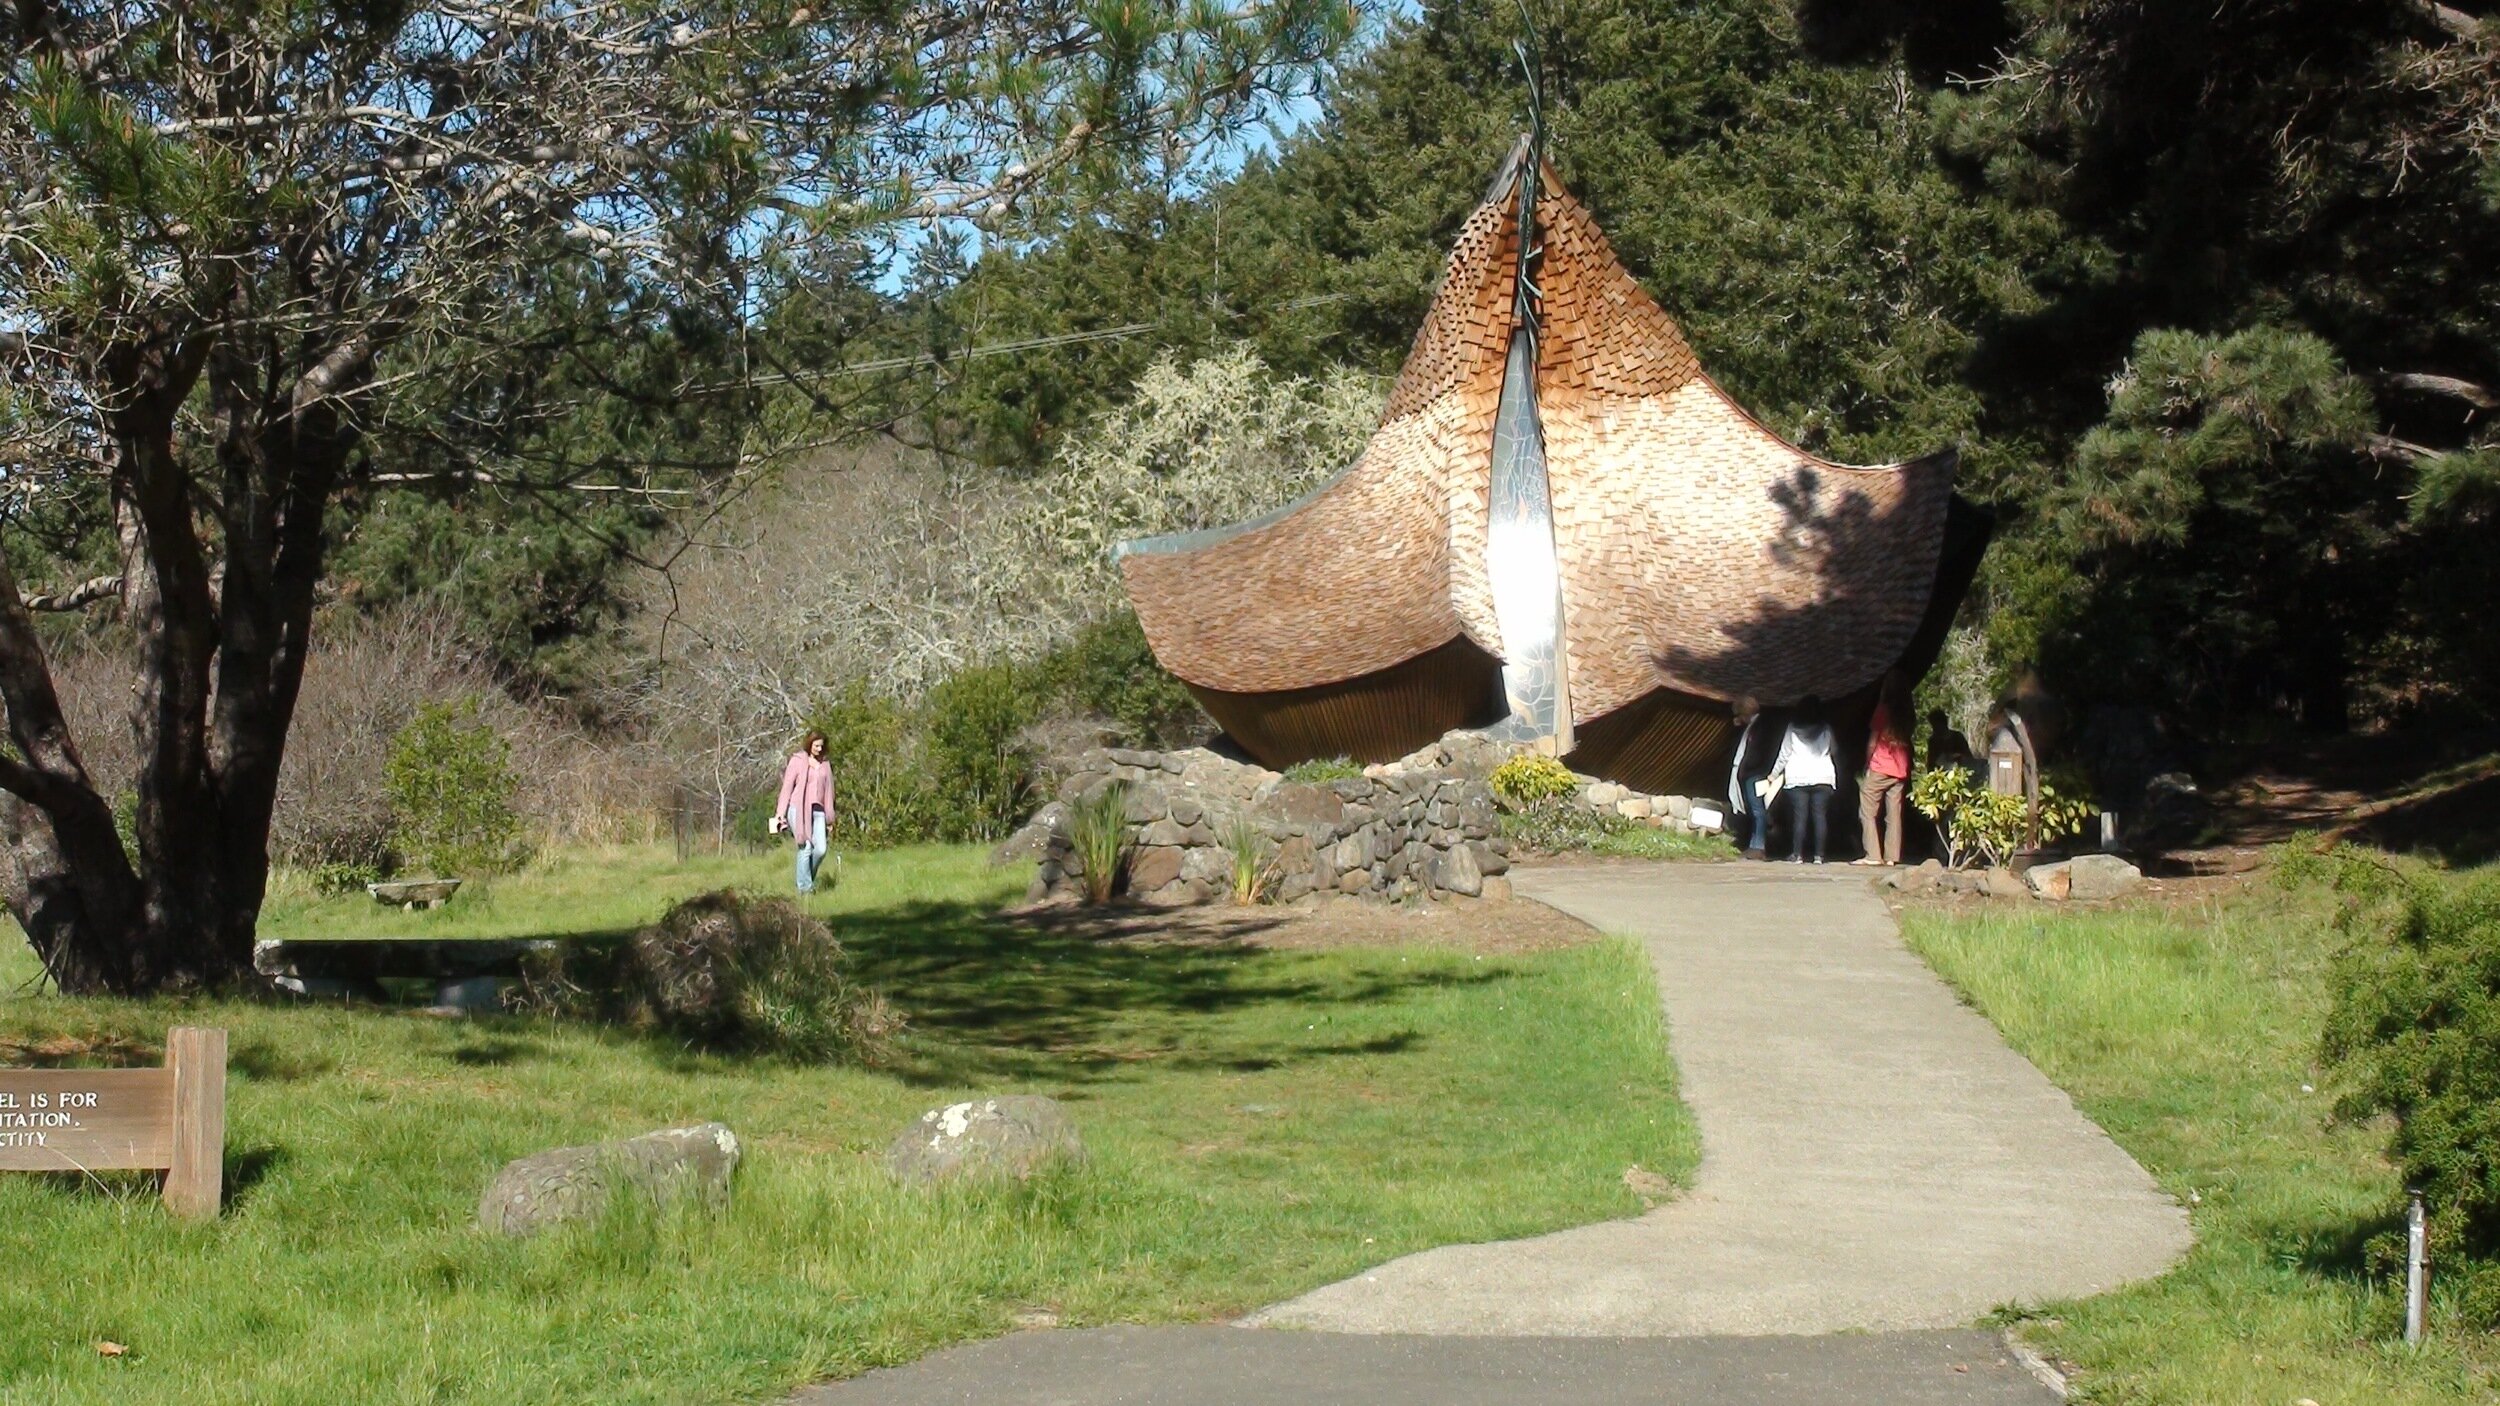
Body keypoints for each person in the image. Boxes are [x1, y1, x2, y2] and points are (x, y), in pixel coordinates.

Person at [1854, 673, 1913, 866]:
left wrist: (1867, 762)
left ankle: (1872, 854)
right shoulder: (1907, 713)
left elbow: (1873, 740)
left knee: (1867, 809)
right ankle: (1892, 856)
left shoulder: (1883, 710)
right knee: (1894, 814)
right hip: (1900, 767)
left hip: (1881, 765)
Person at [1772, 696, 1837, 863]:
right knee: (1820, 817)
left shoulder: (1792, 729)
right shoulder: (1826, 728)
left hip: (1798, 776)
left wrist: (1773, 774)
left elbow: (1784, 754)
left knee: (1799, 817)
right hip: (1823, 776)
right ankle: (1819, 856)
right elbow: (1834, 750)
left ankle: (1797, 854)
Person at [774, 731, 836, 894]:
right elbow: (787, 788)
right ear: (809, 744)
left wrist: (830, 819)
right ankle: (805, 889)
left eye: (821, 746)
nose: (819, 749)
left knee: (821, 849)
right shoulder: (797, 761)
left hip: (818, 811)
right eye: (816, 745)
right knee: (805, 846)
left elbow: (829, 792)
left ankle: (805, 878)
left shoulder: (825, 764)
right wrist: (780, 813)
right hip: (798, 809)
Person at [1726, 696, 1775, 860]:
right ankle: (1754, 844)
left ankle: (1758, 845)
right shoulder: (1753, 726)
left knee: (1757, 810)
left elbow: (1755, 752)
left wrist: (1747, 769)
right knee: (1754, 810)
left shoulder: (1759, 727)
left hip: (1755, 774)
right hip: (1752, 773)